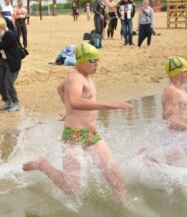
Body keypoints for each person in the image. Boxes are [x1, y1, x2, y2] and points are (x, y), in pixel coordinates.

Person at [22, 43, 132, 203]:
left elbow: (60, 90)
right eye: (92, 61)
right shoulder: (76, 77)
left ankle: (128, 206)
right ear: (80, 61)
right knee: (72, 187)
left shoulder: (84, 76)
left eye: (98, 60)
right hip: (74, 136)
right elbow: (73, 100)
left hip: (91, 134)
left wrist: (70, 113)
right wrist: (109, 104)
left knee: (114, 173)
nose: (96, 64)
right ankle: (43, 165)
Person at [0, 17, 22, 112]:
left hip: (12, 62)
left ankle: (16, 103)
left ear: (3, 27)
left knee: (8, 83)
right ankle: (7, 101)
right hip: (3, 60)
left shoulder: (9, 34)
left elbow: (0, 46)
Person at [161, 56, 187, 166]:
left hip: (183, 135)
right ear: (174, 73)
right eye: (184, 71)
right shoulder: (171, 91)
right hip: (176, 139)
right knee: (178, 180)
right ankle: (147, 161)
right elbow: (171, 121)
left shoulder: (180, 89)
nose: (186, 74)